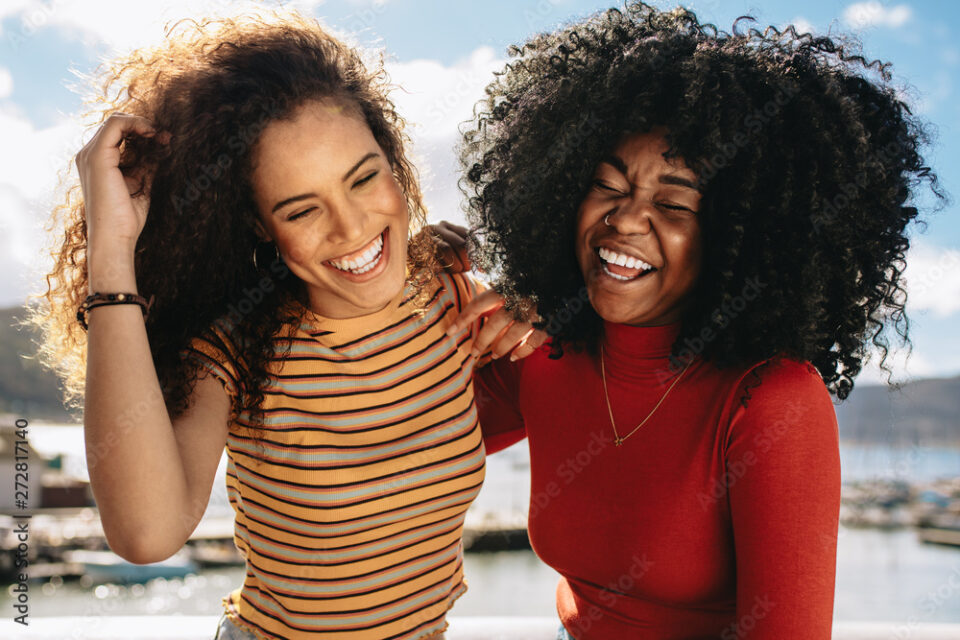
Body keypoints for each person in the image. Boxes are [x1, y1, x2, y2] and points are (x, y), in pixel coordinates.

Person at [31, 12, 542, 640]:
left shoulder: (453, 292)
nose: (351, 227)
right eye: (301, 209)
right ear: (256, 226)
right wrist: (112, 250)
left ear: (392, 158)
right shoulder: (235, 351)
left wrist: (534, 304)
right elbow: (145, 534)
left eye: (364, 177)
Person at [453, 2, 943, 638]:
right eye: (608, 185)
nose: (626, 219)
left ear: (742, 237)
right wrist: (431, 273)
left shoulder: (771, 400)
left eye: (674, 203)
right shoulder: (545, 353)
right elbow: (387, 434)